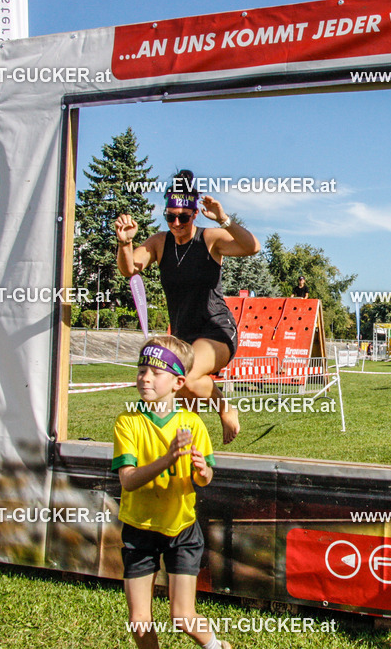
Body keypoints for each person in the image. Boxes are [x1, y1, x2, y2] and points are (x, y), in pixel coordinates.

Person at [116, 170, 260, 444]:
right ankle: (187, 450)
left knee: (186, 377)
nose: (177, 223)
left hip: (217, 329)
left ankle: (224, 406)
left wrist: (224, 220)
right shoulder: (159, 242)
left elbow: (252, 247)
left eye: (183, 217)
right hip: (183, 335)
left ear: (195, 214)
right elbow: (129, 268)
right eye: (170, 217)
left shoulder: (211, 238)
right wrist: (125, 243)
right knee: (180, 394)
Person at [113, 336, 230, 649]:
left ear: (179, 382)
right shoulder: (127, 423)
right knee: (139, 622)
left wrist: (203, 472)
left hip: (181, 529)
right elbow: (128, 481)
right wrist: (168, 459)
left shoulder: (192, 424)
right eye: (141, 370)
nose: (145, 377)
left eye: (155, 372)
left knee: (183, 617)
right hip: (139, 530)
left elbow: (204, 478)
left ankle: (218, 647)